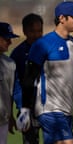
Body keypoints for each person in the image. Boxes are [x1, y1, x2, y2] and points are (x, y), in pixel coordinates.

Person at [16, 1, 73, 144]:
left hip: (67, 110)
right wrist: (25, 109)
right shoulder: (42, 44)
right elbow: (29, 77)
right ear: (62, 18)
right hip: (48, 109)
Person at [10, 13, 43, 144]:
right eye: (32, 31)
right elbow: (14, 84)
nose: (36, 35)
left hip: (49, 107)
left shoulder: (49, 49)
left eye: (39, 31)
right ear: (24, 31)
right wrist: (22, 107)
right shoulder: (17, 54)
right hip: (28, 109)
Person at [0, 22, 19, 144]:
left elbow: (11, 92)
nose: (10, 42)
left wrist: (11, 116)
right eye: (6, 39)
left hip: (2, 122)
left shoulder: (10, 64)